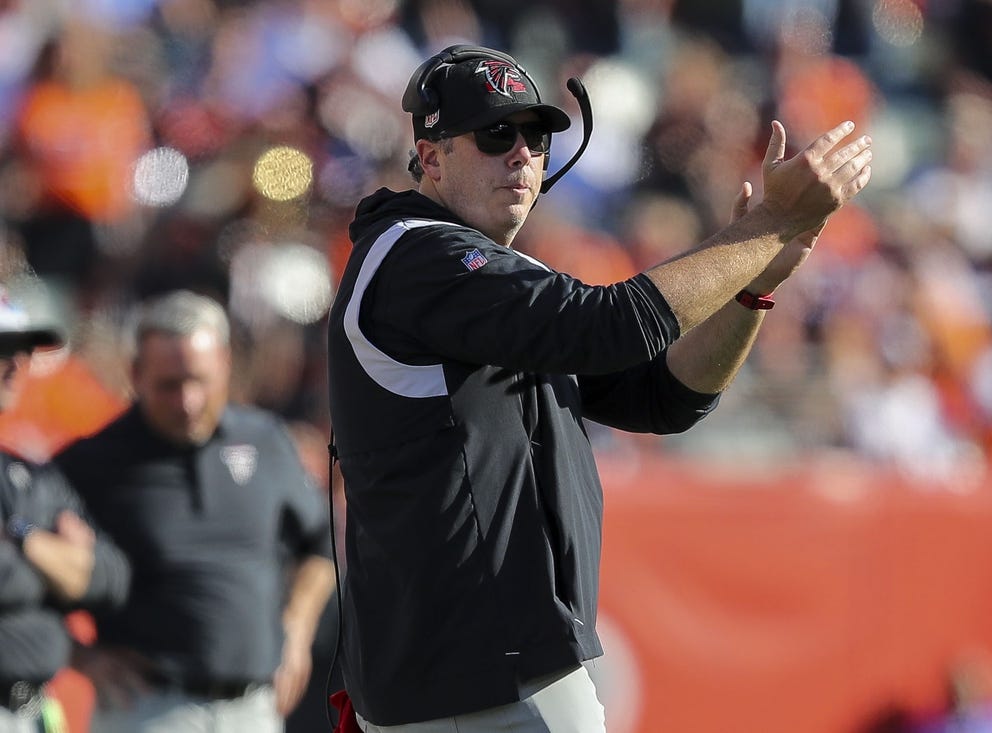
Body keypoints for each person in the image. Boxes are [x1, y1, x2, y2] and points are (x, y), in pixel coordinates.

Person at [326, 44, 872, 732]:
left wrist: (752, 284)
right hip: (473, 678)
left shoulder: (465, 272)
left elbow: (662, 397)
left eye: (536, 135)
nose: (522, 153)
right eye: (496, 133)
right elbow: (610, 325)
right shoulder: (417, 255)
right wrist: (768, 226)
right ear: (430, 156)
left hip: (479, 670)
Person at [53, 289, 336, 733]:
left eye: (198, 380)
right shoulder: (92, 462)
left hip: (254, 708)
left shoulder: (266, 440)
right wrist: (80, 656)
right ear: (135, 374)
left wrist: (298, 627)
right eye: (168, 384)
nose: (186, 401)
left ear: (225, 365)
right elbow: (22, 570)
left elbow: (321, 541)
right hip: (147, 707)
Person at [0, 283, 130, 733]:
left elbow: (109, 577)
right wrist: (55, 560)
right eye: (2, 351)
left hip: (33, 709)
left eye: (22, 352)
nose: (17, 367)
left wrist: (21, 539)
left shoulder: (28, 474)